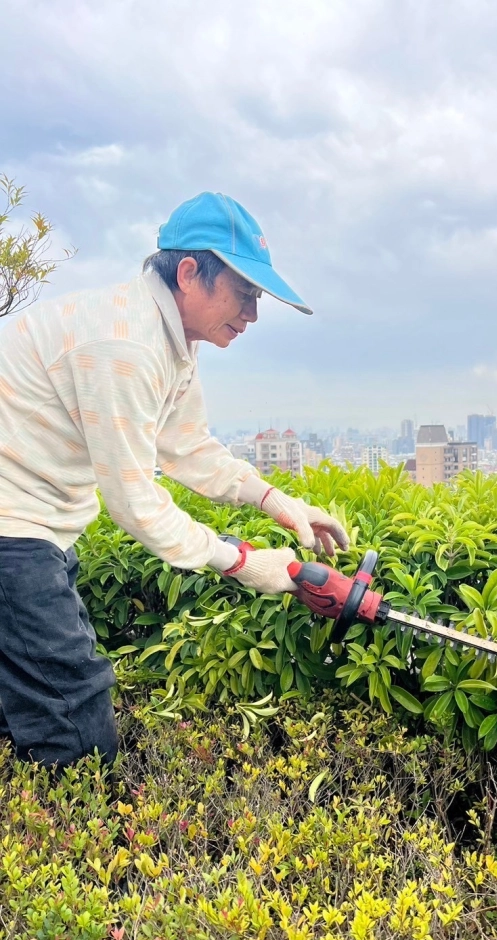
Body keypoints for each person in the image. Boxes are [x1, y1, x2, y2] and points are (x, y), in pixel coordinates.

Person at [0, 191, 348, 768]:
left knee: (28, 702)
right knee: (77, 732)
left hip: (33, 527)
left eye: (257, 297)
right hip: (13, 529)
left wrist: (276, 501)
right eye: (243, 294)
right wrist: (241, 562)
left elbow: (188, 446)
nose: (253, 315)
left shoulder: (168, 340)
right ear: (189, 273)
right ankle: (69, 841)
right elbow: (135, 502)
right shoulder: (126, 347)